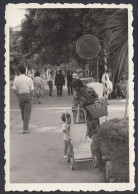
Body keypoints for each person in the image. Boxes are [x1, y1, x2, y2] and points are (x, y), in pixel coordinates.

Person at [13, 65, 34, 134]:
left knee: (22, 112)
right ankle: (25, 128)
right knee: (27, 112)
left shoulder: (16, 79)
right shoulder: (29, 79)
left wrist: (18, 96)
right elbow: (32, 89)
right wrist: (31, 97)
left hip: (20, 96)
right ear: (25, 71)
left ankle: (25, 126)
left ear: (19, 71)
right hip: (27, 95)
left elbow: (14, 89)